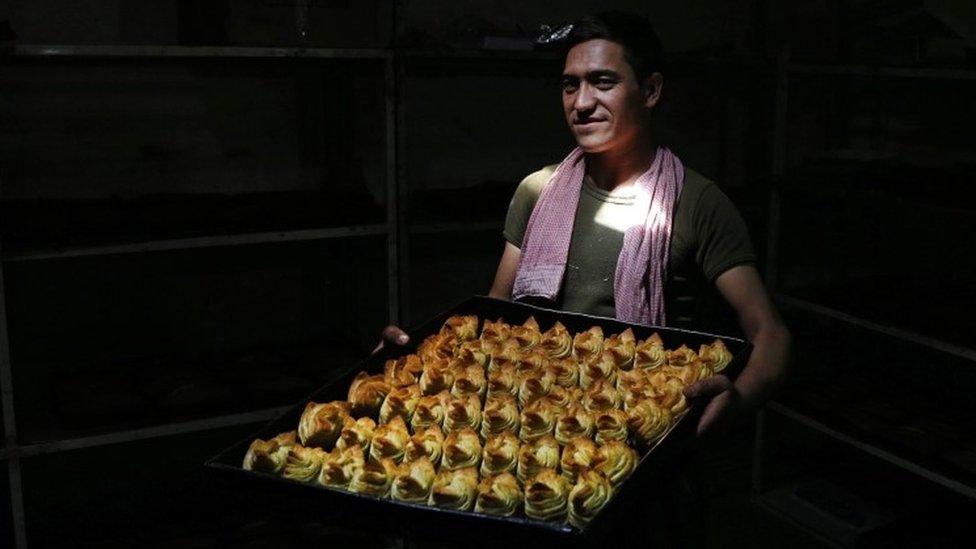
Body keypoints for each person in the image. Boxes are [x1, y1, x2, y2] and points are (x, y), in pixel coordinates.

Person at [382, 11, 790, 439]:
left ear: (650, 91)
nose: (581, 102)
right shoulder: (536, 193)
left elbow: (771, 334)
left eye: (603, 82)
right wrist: (419, 355)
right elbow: (495, 318)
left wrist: (736, 401)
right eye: (570, 84)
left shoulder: (698, 204)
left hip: (643, 431)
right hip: (537, 422)